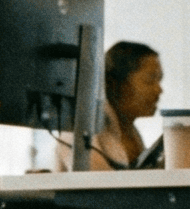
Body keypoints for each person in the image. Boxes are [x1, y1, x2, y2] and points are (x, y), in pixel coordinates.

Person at [48, 40, 162, 170]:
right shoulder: (82, 128)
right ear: (114, 83)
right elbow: (98, 186)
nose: (159, 90)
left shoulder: (130, 131)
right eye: (150, 80)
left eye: (159, 80)